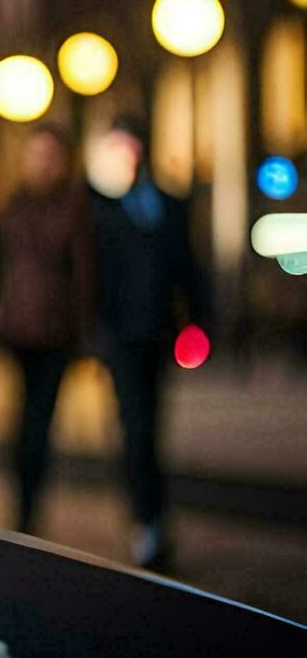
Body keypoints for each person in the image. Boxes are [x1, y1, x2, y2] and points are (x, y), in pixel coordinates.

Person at [89, 116, 208, 570]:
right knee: (135, 428)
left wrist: (198, 322)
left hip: (158, 334)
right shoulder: (100, 208)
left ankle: (152, 517)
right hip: (120, 336)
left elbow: (188, 267)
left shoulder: (170, 205)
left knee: (151, 426)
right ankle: (146, 518)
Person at [0, 125, 91, 534]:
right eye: (36, 154)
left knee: (39, 421)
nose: (42, 163)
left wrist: (82, 329)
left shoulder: (74, 207)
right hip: (17, 331)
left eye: (50, 155)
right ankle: (22, 502)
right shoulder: (14, 205)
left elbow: (84, 274)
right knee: (20, 423)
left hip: (55, 333)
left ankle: (30, 505)